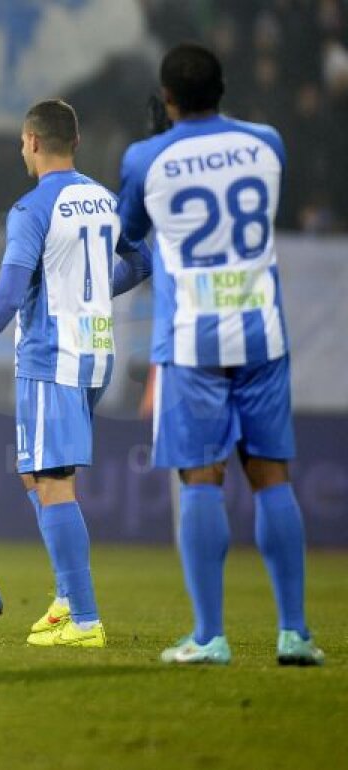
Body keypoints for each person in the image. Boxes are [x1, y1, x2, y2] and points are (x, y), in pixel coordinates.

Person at [117, 43, 324, 666]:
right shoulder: (268, 141)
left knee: (201, 477)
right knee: (271, 476)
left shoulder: (145, 156)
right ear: (224, 88)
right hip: (262, 332)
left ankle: (210, 637)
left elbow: (129, 236)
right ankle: (294, 634)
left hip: (193, 338)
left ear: (167, 97)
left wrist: (157, 148)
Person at [0, 100, 152, 648]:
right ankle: (68, 599)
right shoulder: (103, 199)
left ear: (29, 142)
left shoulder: (32, 208)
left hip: (53, 357)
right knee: (34, 474)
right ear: (72, 142)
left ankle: (85, 619)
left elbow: (6, 294)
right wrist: (89, 299)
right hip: (97, 352)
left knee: (52, 482)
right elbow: (142, 263)